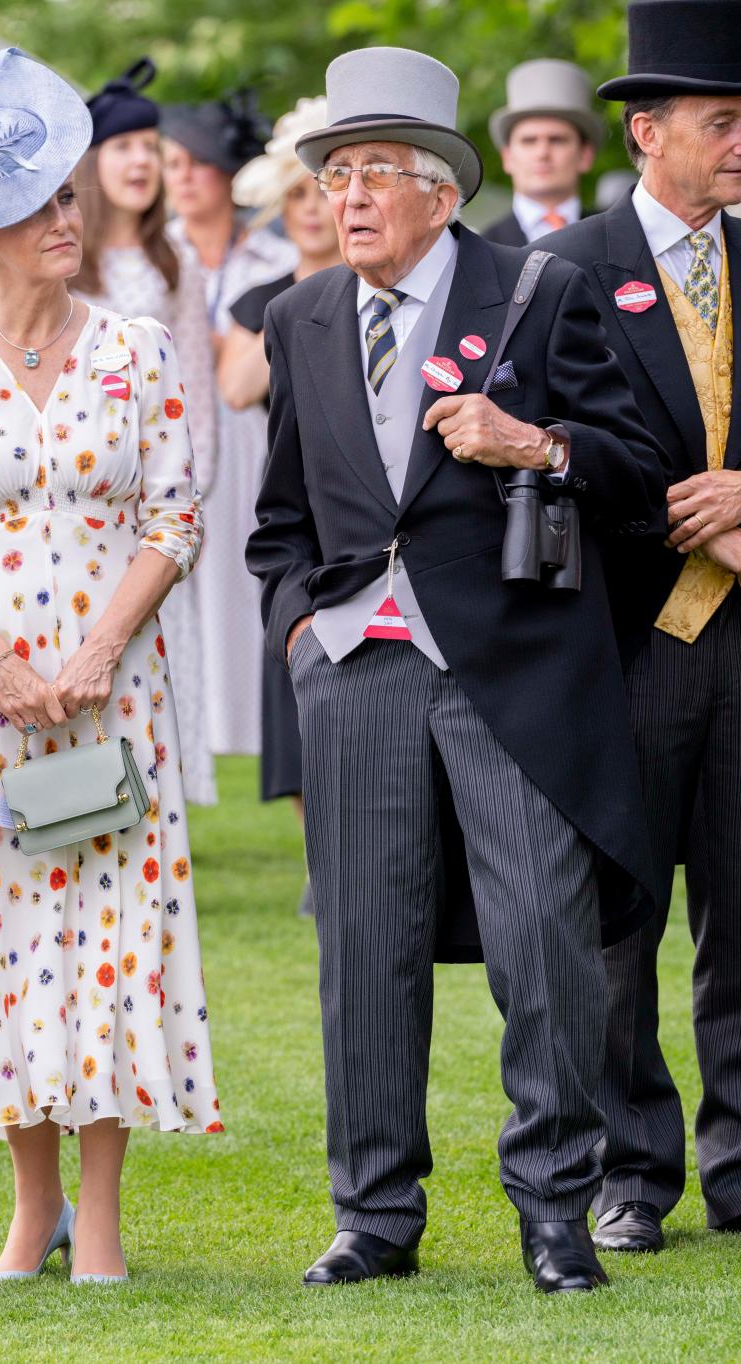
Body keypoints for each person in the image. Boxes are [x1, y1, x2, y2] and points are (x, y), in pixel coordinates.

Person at [246, 45, 668, 1294]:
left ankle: (554, 1208)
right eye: (336, 173)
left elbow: (637, 465)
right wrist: (299, 635)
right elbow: (282, 519)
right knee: (364, 951)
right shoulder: (300, 314)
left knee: (542, 938)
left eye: (377, 170)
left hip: (517, 669)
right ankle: (373, 1216)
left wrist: (528, 438)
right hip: (356, 669)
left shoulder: (538, 288)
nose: (351, 195)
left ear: (440, 189)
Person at [0, 47, 222, 1286]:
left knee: (112, 935)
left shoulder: (136, 347)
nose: (66, 219)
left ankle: (106, 1220)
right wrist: (0, 660)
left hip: (114, 685)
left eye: (69, 197)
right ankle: (29, 1216)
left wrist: (92, 648)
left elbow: (173, 518)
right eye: (38, 206)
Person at [540, 0, 741, 1255]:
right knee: (619, 919)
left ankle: (740, 1165)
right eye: (723, 124)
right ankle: (633, 1170)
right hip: (626, 638)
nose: (740, 144)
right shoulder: (566, 266)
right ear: (648, 132)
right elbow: (549, 455)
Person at [73, 58, 217, 805]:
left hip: (156, 508)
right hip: (81, 502)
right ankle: (80, 803)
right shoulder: (66, 263)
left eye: (152, 149)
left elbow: (196, 390)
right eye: (125, 147)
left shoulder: (176, 264)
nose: (141, 162)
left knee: (153, 661)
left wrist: (188, 504)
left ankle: (152, 809)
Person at [219, 96, 342, 914]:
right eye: (294, 197)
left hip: (367, 491)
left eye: (319, 195)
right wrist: (301, 303)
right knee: (290, 657)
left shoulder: (379, 286)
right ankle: (317, 853)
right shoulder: (261, 298)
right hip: (293, 493)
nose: (309, 211)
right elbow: (236, 386)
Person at [162, 97, 297, 757]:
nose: (183, 179)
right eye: (173, 165)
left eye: (199, 165)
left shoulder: (272, 259)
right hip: (173, 431)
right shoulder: (156, 256)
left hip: (249, 434)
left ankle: (241, 722)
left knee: (243, 576)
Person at [481, 59, 606, 246]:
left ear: (585, 155)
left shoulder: (612, 236)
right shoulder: (482, 246)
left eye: (557, 140)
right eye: (529, 141)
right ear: (507, 157)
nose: (542, 153)